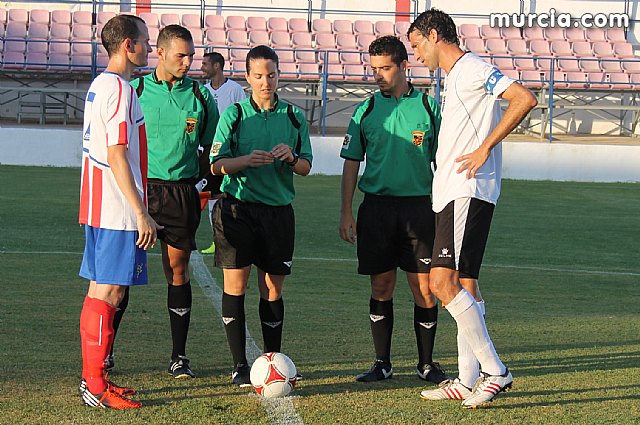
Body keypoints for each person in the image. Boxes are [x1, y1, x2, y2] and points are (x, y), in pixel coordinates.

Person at [407, 9, 537, 408]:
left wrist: (485, 148)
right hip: (452, 193)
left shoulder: (472, 67)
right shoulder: (455, 77)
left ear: (433, 35)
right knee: (463, 284)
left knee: (440, 284)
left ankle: (495, 370)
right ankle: (466, 380)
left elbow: (524, 98)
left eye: (416, 46)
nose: (416, 55)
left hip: (467, 191)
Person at [339, 35, 448, 385]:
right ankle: (381, 363)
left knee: (425, 289)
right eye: (374, 69)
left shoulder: (429, 108)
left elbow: (443, 162)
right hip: (377, 209)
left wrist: (446, 211)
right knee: (381, 286)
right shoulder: (366, 110)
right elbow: (352, 163)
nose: (378, 75)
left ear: (404, 65)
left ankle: (426, 363)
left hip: (419, 209)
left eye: (385, 68)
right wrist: (346, 211)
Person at [209, 45, 313, 386]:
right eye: (258, 76)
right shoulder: (235, 115)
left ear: (278, 74)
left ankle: (273, 362)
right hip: (237, 211)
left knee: (272, 289)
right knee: (236, 286)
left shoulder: (294, 117)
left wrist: (291, 158)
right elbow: (216, 164)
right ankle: (240, 365)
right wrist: (245, 161)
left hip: (278, 214)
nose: (265, 82)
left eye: (271, 75)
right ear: (248, 78)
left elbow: (306, 167)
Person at [123, 24, 219, 379]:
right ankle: (108, 352)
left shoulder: (201, 96)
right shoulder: (134, 90)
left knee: (177, 271)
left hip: (180, 193)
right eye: (181, 55)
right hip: (141, 192)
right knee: (121, 275)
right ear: (159, 53)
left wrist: (201, 189)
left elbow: (213, 150)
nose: (188, 61)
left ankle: (179, 357)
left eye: (191, 55)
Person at [77, 14, 158, 409]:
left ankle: (96, 379)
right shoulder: (121, 90)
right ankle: (95, 384)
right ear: (128, 44)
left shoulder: (100, 84)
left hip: (99, 204)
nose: (149, 47)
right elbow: (117, 155)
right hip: (116, 208)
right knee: (107, 292)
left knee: (104, 291)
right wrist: (140, 212)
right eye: (145, 40)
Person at [198, 51, 246, 255]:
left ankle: (234, 237)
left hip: (231, 151)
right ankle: (216, 239)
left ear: (217, 66)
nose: (201, 67)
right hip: (209, 150)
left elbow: (243, 115)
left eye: (205, 63)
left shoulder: (234, 89)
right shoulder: (203, 90)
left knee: (232, 193)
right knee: (210, 194)